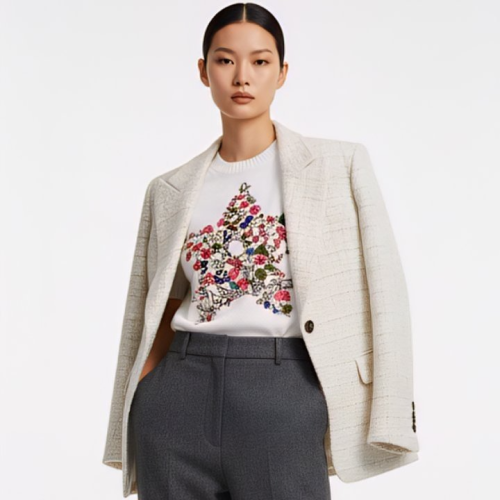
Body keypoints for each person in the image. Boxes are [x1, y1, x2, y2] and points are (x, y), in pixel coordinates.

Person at [102, 3, 420, 499]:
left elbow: (387, 292)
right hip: (177, 396)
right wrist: (142, 391)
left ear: (282, 73)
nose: (242, 76)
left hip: (285, 390)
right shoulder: (169, 189)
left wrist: (391, 411)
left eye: (260, 61)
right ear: (204, 71)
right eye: (225, 60)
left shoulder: (339, 167)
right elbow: (160, 302)